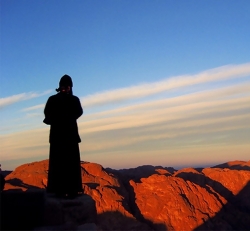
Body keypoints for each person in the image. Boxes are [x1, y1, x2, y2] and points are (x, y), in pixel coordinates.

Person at [44, 75, 83, 198]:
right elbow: (78, 112)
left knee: (60, 162)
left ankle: (61, 189)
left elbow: (47, 115)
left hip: (60, 136)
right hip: (67, 136)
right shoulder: (73, 100)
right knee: (67, 163)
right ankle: (70, 189)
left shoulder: (53, 99)